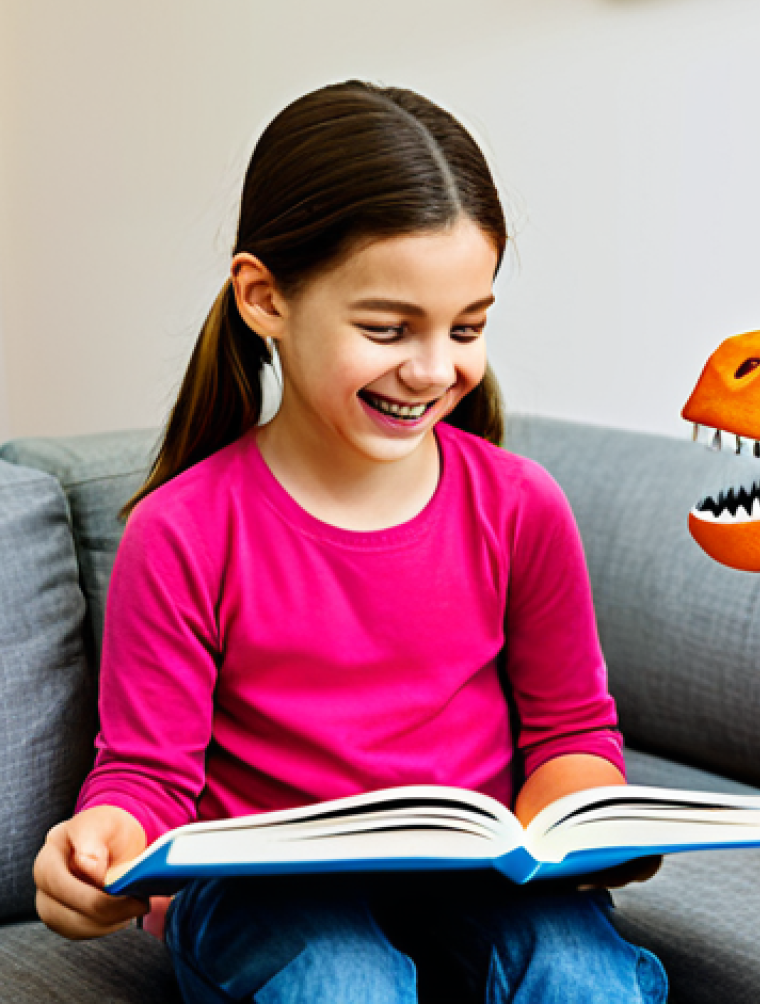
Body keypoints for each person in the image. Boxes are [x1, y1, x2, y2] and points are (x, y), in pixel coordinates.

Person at [32, 80, 668, 1003]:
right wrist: (99, 851)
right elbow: (145, 773)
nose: (433, 367)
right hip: (264, 897)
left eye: (468, 328)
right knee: (342, 981)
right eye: (385, 328)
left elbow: (571, 731)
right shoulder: (182, 530)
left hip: (478, 881)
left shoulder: (521, 507)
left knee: (580, 978)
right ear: (264, 299)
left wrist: (584, 823)